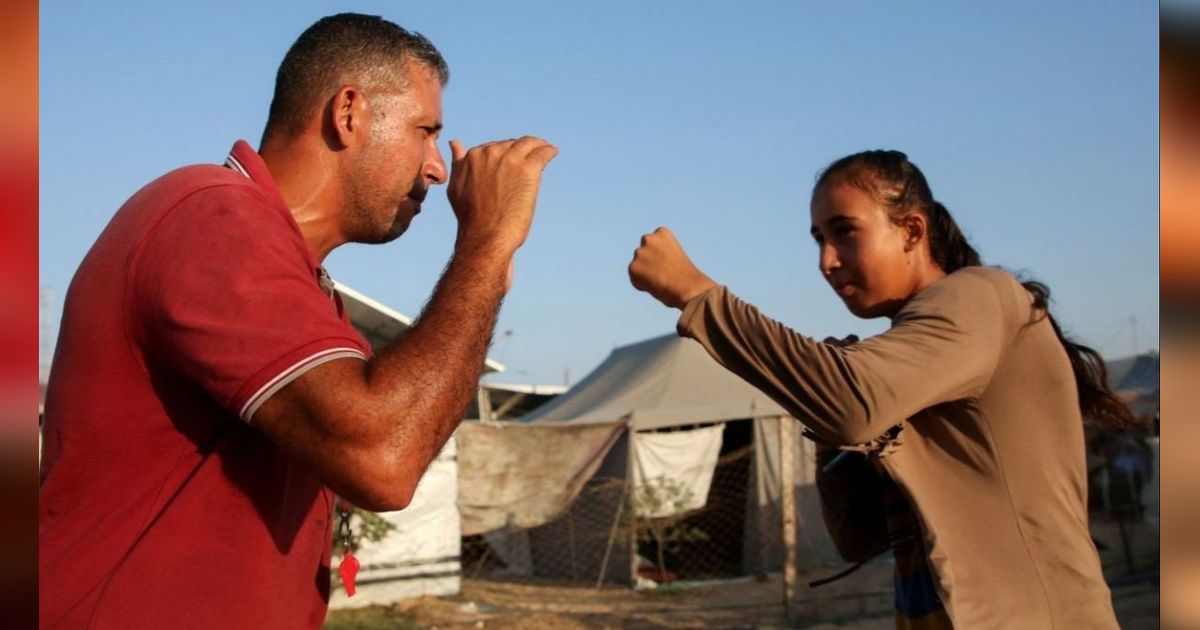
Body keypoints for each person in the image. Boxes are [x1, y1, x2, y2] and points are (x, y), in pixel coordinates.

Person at [39, 13, 556, 628]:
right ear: (349, 112)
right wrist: (486, 245)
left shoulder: (298, 279)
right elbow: (383, 458)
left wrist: (487, 261)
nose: (437, 167)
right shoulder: (213, 221)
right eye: (424, 131)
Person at [628, 150, 1135, 628]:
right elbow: (858, 537)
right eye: (818, 239)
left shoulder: (980, 295)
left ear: (912, 230)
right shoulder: (912, 354)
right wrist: (827, 416)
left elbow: (853, 405)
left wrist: (695, 295)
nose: (827, 260)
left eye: (845, 232)